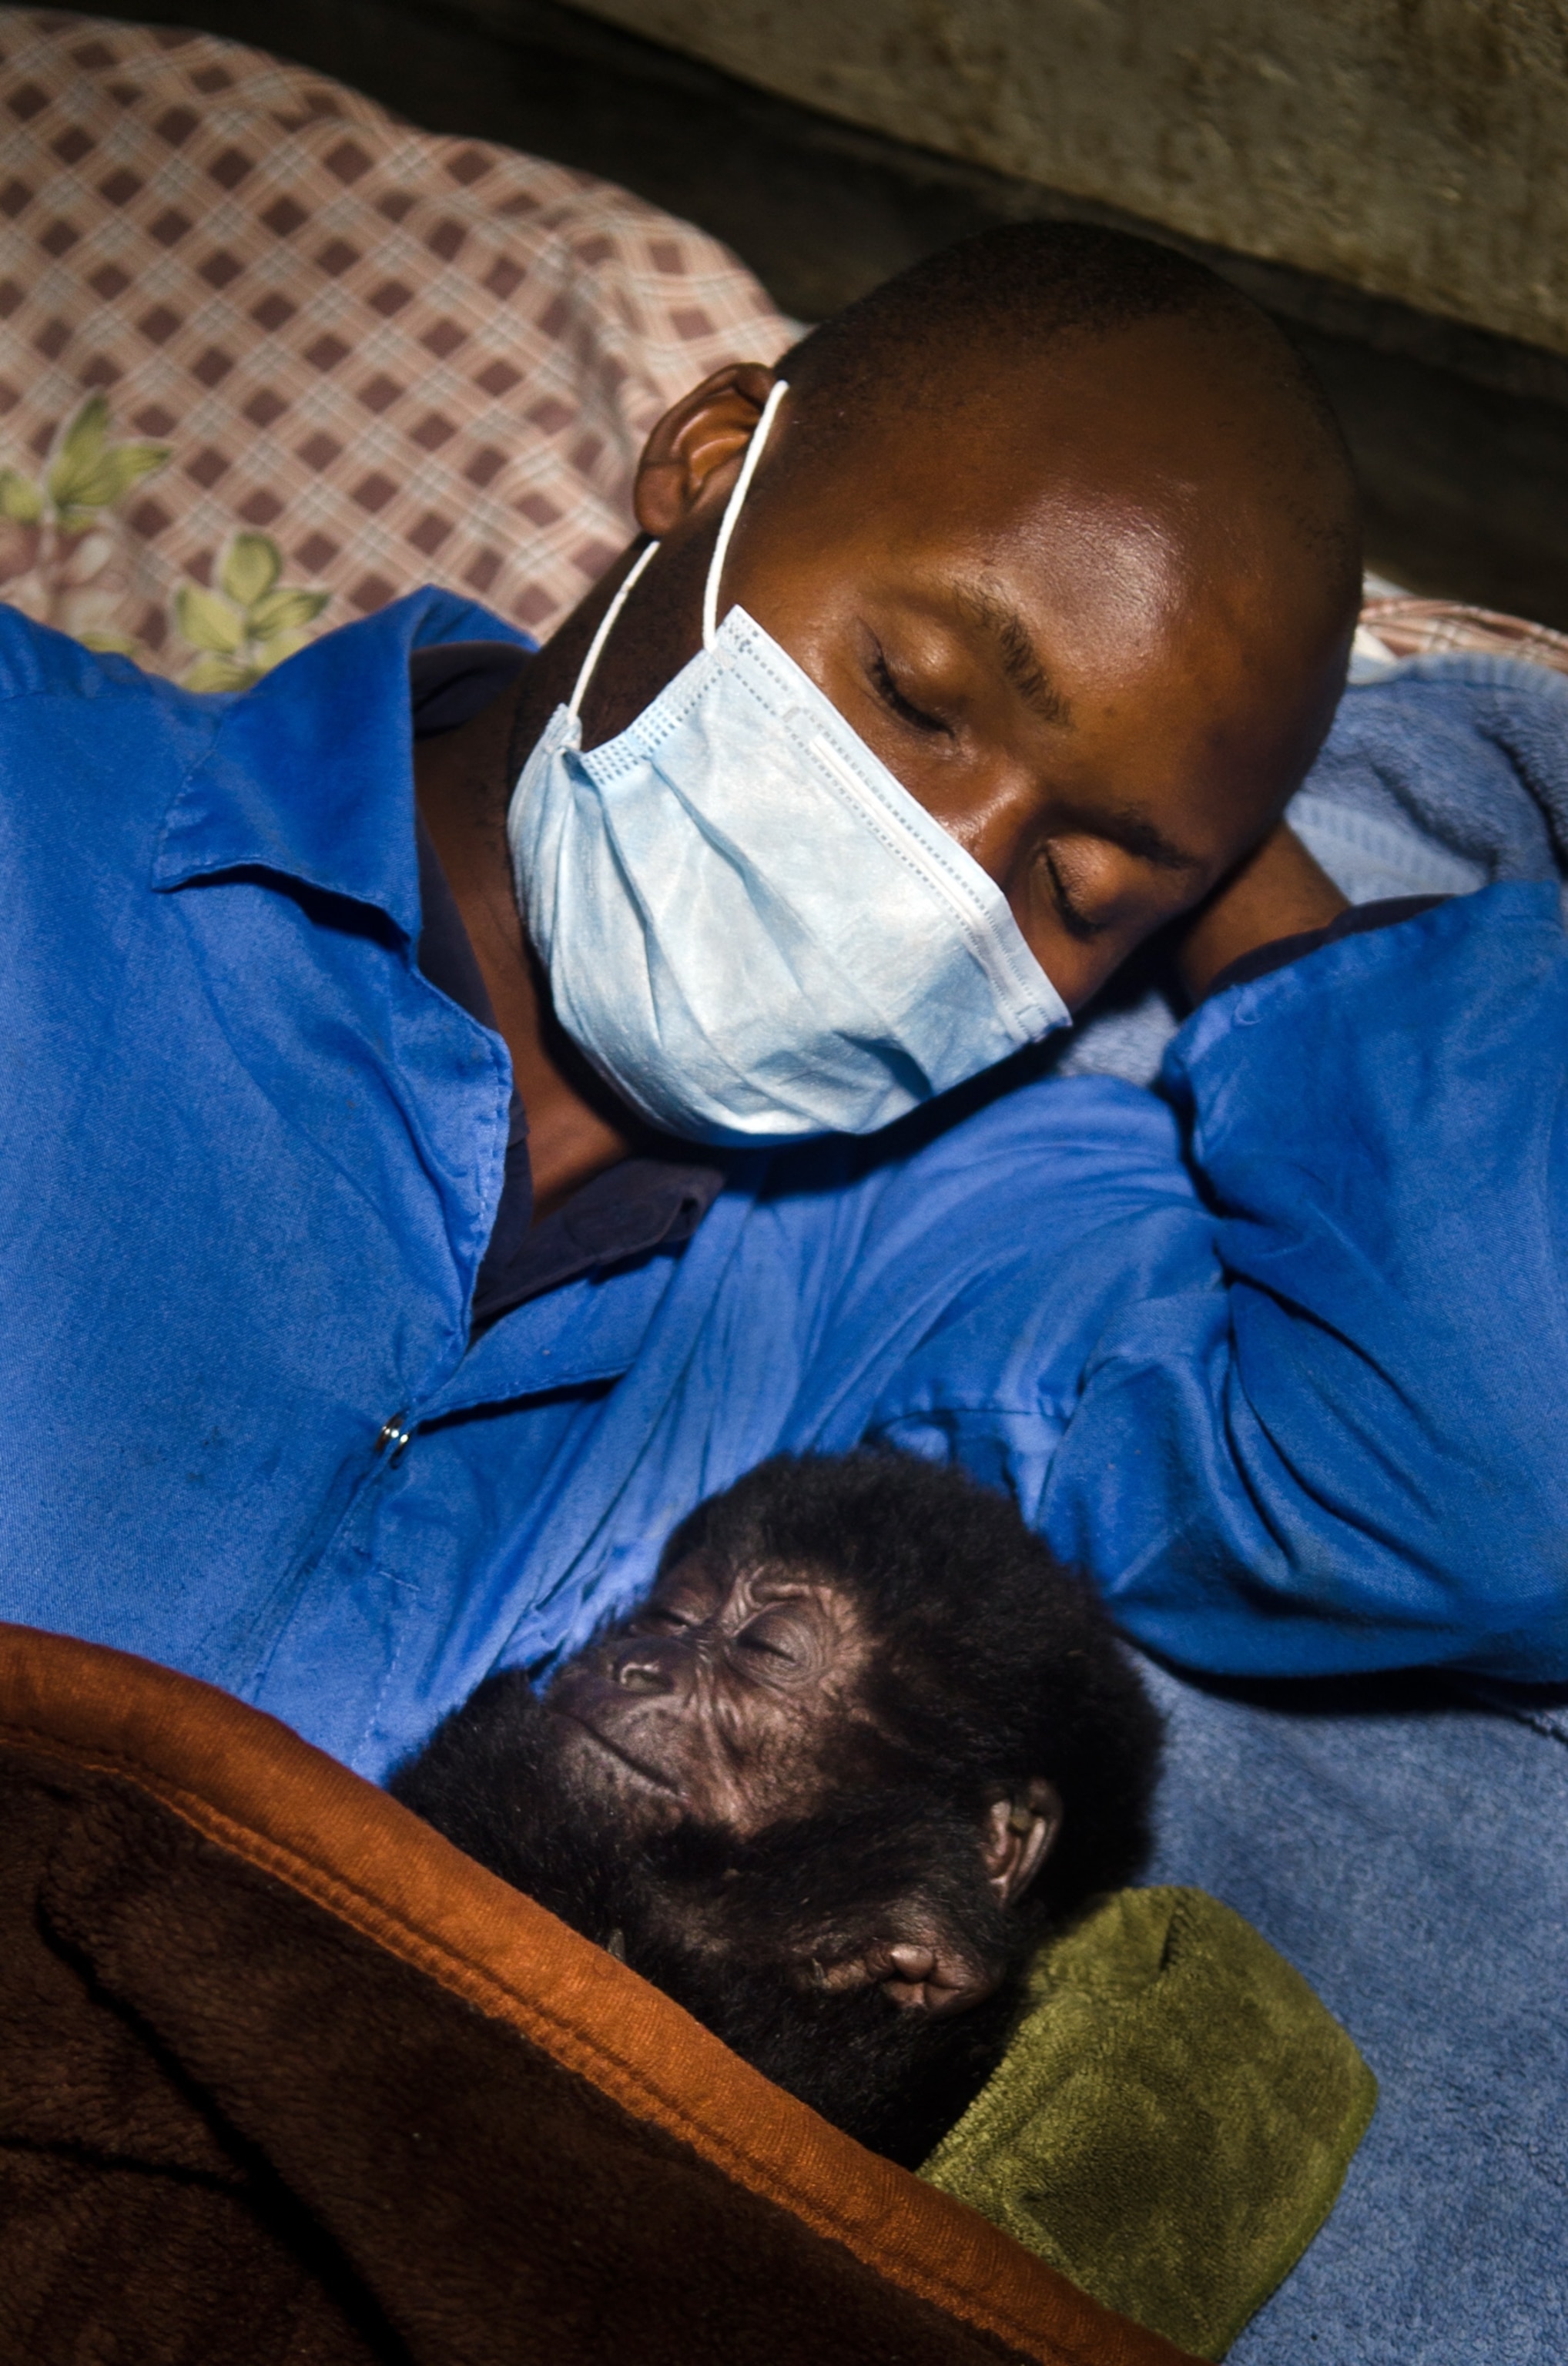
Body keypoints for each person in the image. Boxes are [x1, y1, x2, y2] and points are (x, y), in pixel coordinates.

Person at [2, 221, 1563, 1782]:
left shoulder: (919, 1252)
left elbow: (1502, 1483)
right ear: (710, 461)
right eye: (915, 697)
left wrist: (1220, 826)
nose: (944, 872)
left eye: (1078, 889)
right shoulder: (47, 802)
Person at [392, 1448, 1162, 2166]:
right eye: (663, 1619)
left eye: (768, 1653)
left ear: (995, 1847)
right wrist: (730, 1926)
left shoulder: (1041, 2112)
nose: (639, 1665)